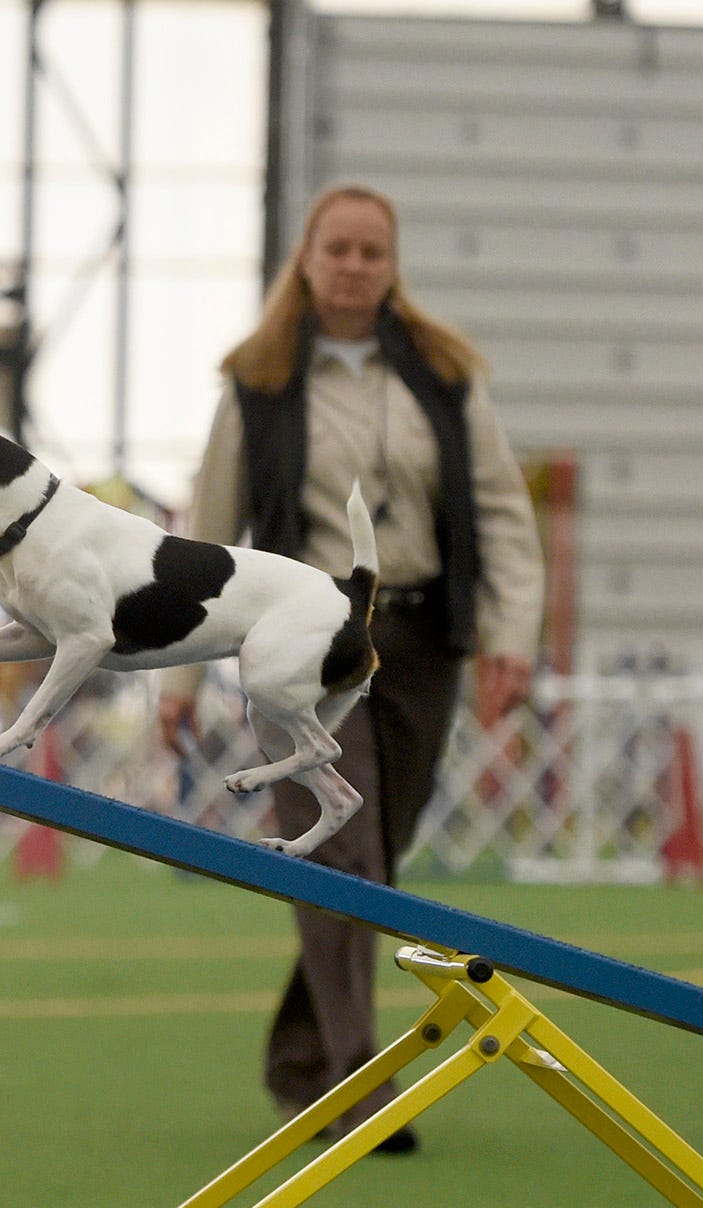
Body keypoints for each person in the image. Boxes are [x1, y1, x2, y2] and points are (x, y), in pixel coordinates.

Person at [162, 183, 543, 1154]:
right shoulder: (255, 382)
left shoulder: (446, 377)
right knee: (342, 850)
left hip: (421, 641)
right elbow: (204, 535)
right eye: (337, 248)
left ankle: (305, 1058)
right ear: (307, 258)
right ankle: (364, 1090)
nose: (353, 265)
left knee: (374, 859)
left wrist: (512, 635)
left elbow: (501, 509)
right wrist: (172, 677)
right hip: (296, 642)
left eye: (372, 250)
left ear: (392, 264)